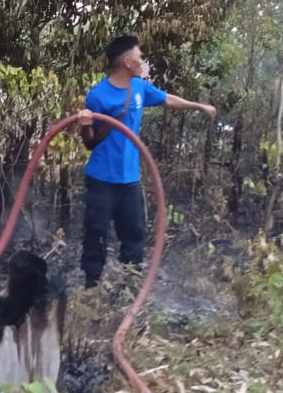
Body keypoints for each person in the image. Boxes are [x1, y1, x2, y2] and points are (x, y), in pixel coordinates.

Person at [76, 35, 215, 288]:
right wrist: (85, 125)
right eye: (139, 58)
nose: (142, 62)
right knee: (95, 234)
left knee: (134, 235)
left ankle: (129, 291)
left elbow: (168, 99)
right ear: (127, 62)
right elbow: (89, 141)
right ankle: (91, 287)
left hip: (130, 180)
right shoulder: (98, 96)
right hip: (101, 180)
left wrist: (199, 106)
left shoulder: (139, 88)